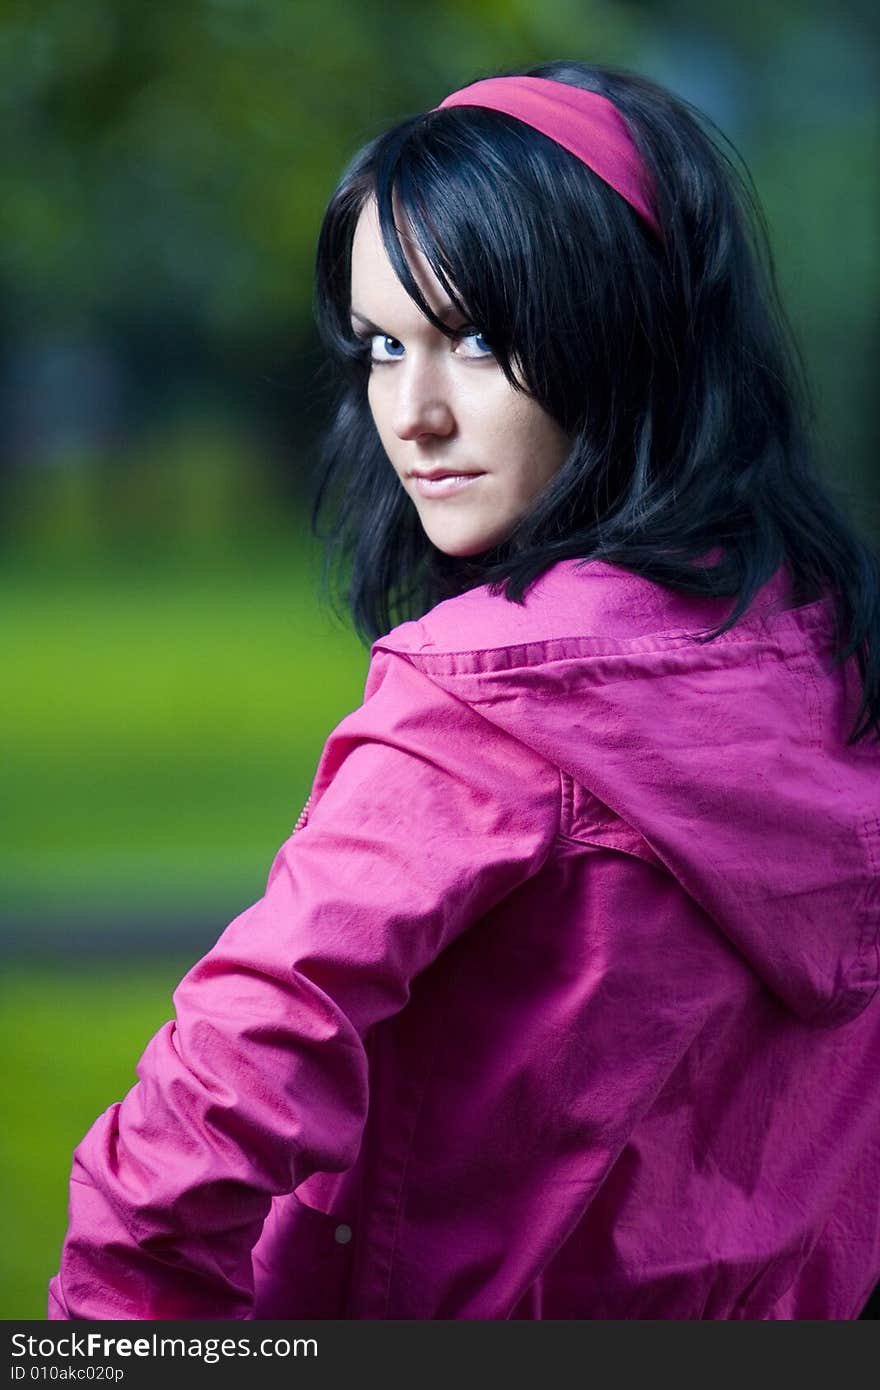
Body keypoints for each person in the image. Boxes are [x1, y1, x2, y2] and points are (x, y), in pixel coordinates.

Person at [49, 60, 880, 1322]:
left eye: (480, 340)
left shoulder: (484, 710)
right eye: (384, 346)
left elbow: (198, 1127)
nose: (414, 415)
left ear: (624, 330)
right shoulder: (836, 662)